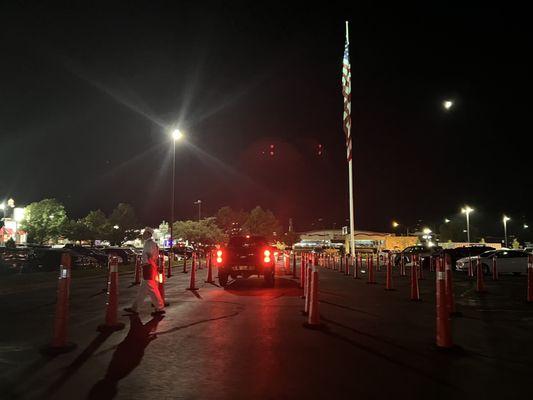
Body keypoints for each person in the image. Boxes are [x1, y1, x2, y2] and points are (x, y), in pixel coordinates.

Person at [124, 227, 165, 316]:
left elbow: (149, 255)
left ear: (149, 234)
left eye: (145, 233)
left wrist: (147, 265)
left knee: (151, 288)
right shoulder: (150, 243)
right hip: (149, 267)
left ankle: (160, 307)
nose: (143, 235)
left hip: (148, 267)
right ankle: (135, 308)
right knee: (144, 290)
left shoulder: (149, 243)